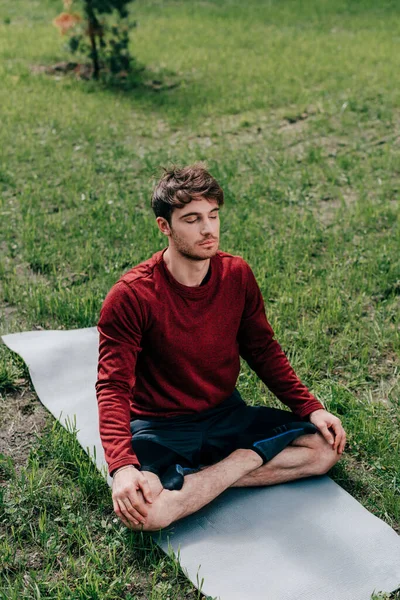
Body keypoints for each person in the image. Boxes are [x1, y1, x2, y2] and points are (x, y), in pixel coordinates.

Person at [96, 164, 346, 532]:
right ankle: (241, 463)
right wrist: (122, 466)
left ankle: (211, 475)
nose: (208, 229)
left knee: (325, 449)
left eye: (213, 216)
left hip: (224, 414)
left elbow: (262, 349)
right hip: (160, 426)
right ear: (164, 226)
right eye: (192, 219)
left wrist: (309, 407)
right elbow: (112, 387)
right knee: (146, 515)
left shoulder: (236, 275)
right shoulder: (131, 296)